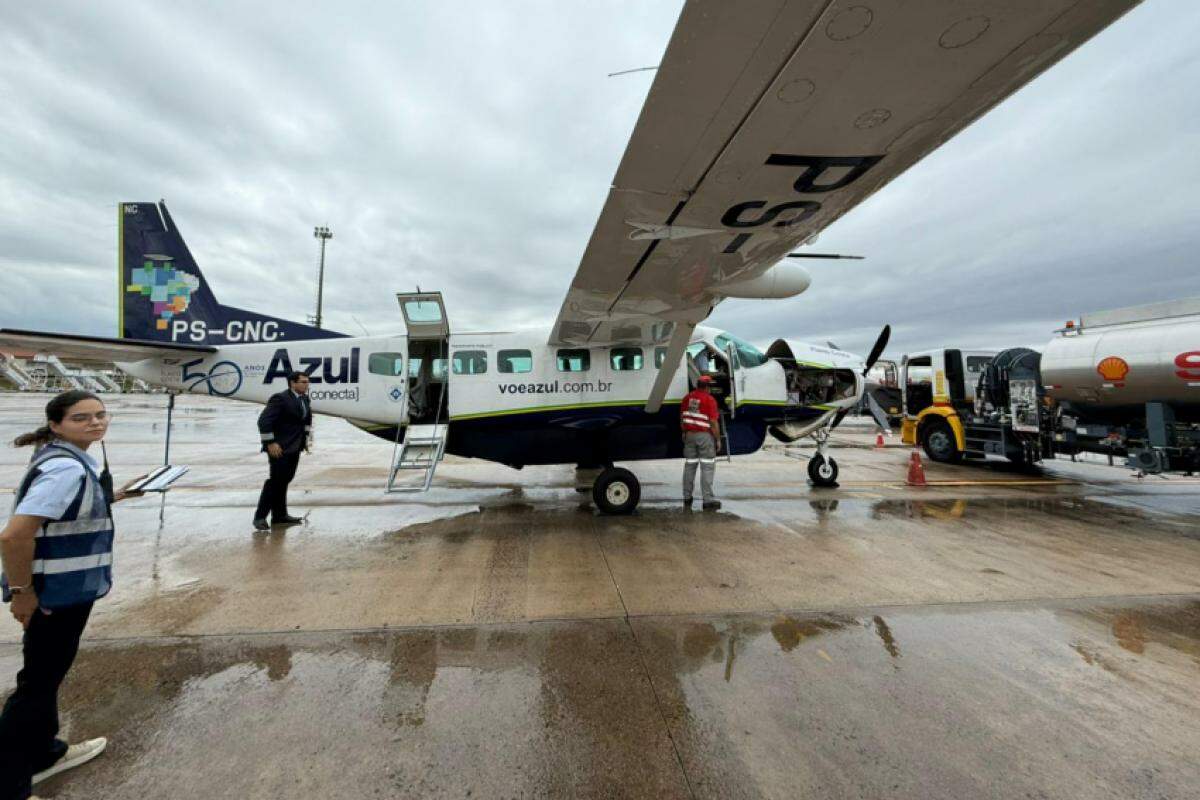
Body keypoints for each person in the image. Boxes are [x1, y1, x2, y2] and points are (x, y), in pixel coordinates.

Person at [0, 390, 145, 800]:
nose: (96, 423)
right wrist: (22, 592)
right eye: (82, 418)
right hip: (52, 594)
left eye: (100, 415)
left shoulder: (68, 460)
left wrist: (115, 495)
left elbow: (61, 512)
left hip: (65, 591)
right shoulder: (67, 469)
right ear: (56, 424)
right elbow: (14, 535)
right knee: (36, 688)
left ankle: (45, 753)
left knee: (46, 677)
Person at [253, 371, 312, 530]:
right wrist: (270, 442)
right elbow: (264, 421)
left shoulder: (304, 399)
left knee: (285, 480)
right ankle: (259, 517)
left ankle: (279, 516)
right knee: (275, 482)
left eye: (307, 382)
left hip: (295, 447)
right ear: (293, 383)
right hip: (279, 448)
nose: (307, 385)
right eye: (303, 382)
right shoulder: (280, 398)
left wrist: (305, 439)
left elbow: (306, 421)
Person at [681, 375, 722, 511]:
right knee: (707, 467)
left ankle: (687, 498)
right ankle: (708, 500)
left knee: (689, 467)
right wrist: (717, 439)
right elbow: (713, 422)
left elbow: (682, 418)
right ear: (707, 387)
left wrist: (684, 432)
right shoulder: (709, 400)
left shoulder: (687, 398)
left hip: (689, 436)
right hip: (704, 437)